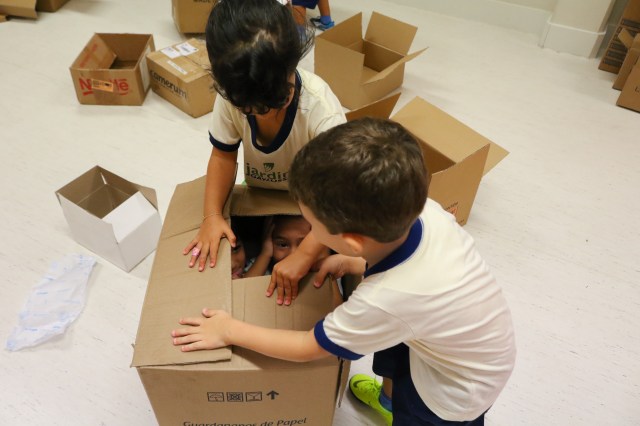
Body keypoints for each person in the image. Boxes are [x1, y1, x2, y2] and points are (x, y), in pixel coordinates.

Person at [172, 118, 517, 425]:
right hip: (450, 336)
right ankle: (388, 399)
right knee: (394, 348)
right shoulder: (426, 210)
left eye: (311, 225)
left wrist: (229, 330)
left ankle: (399, 409)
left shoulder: (383, 301)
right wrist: (354, 264)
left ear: (351, 242)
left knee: (414, 413)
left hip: (451, 395)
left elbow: (308, 346)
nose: (309, 232)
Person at [182, 0, 346, 305]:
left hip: (318, 206)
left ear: (293, 63)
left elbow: (342, 199)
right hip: (262, 195)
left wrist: (307, 252)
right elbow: (222, 155)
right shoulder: (232, 96)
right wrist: (212, 215)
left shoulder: (321, 112)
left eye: (278, 100)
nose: (264, 114)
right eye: (250, 109)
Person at [244, 215, 329, 278]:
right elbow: (244, 291)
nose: (293, 254)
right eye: (283, 245)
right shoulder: (263, 266)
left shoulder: (327, 264)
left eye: (303, 244)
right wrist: (265, 254)